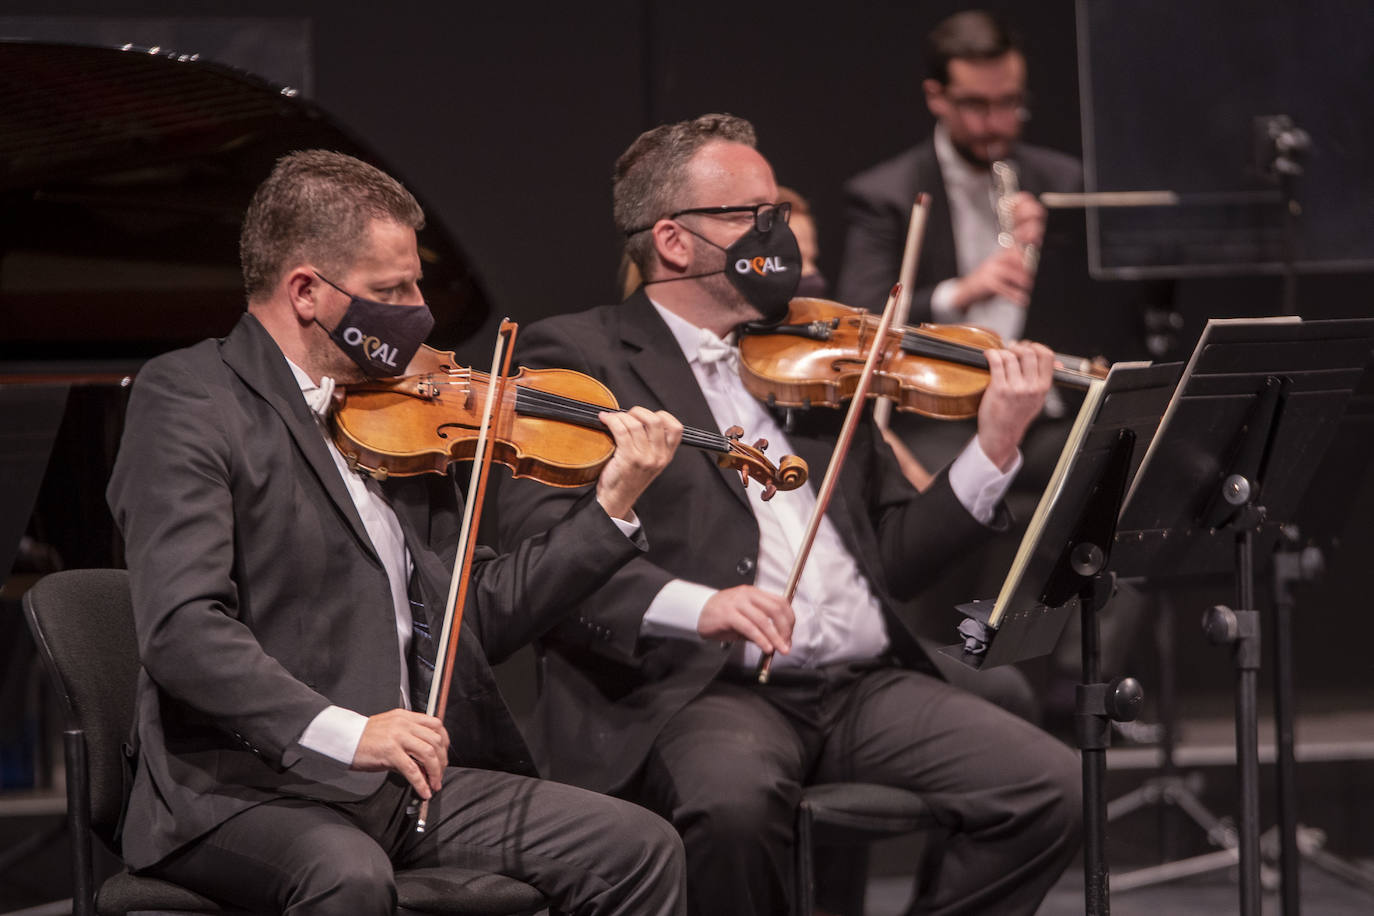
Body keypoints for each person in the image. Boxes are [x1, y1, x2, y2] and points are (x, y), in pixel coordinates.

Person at [495, 114, 1081, 916]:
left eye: (775, 213)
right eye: (750, 215)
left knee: (1054, 789)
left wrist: (992, 449)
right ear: (672, 241)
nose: (775, 234)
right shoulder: (576, 356)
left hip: (859, 686)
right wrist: (704, 607)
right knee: (729, 808)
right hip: (705, 692)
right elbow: (543, 555)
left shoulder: (813, 361)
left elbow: (896, 560)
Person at [106, 149, 688, 916]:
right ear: (306, 291)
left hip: (399, 785)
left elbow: (470, 621)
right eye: (391, 290)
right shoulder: (190, 398)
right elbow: (184, 631)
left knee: (639, 849)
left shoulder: (398, 414)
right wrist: (351, 733)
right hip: (245, 790)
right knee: (346, 875)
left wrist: (608, 510)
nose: (419, 311)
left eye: (415, 282)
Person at [835, 9, 1081, 336]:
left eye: (1009, 101)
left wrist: (1050, 243)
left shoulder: (1061, 180)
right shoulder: (885, 194)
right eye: (975, 105)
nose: (995, 123)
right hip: (937, 381)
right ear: (936, 97)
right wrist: (961, 292)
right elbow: (859, 315)